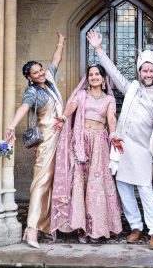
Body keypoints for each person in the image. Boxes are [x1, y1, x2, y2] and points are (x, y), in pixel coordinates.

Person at [86, 30, 153, 250]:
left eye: (152, 70)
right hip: (121, 146)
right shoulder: (130, 87)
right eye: (145, 70)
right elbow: (112, 73)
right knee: (123, 187)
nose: (148, 73)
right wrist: (98, 49)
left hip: (142, 149)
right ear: (139, 71)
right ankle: (135, 226)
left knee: (145, 189)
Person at [50, 64, 123, 242]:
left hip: (99, 143)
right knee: (80, 182)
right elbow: (71, 107)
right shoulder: (81, 95)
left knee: (96, 184)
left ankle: (97, 228)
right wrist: (63, 118)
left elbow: (111, 118)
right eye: (91, 75)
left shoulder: (109, 100)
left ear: (103, 78)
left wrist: (113, 134)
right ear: (88, 78)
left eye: (97, 74)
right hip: (81, 141)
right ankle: (80, 227)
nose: (94, 77)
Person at [6, 33, 66, 248]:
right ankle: (31, 229)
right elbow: (23, 108)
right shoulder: (32, 92)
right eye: (36, 73)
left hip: (61, 138)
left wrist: (60, 42)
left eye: (41, 70)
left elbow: (56, 60)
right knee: (41, 181)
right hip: (47, 140)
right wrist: (12, 125)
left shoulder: (48, 82)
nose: (41, 74)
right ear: (29, 77)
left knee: (53, 181)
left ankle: (46, 225)